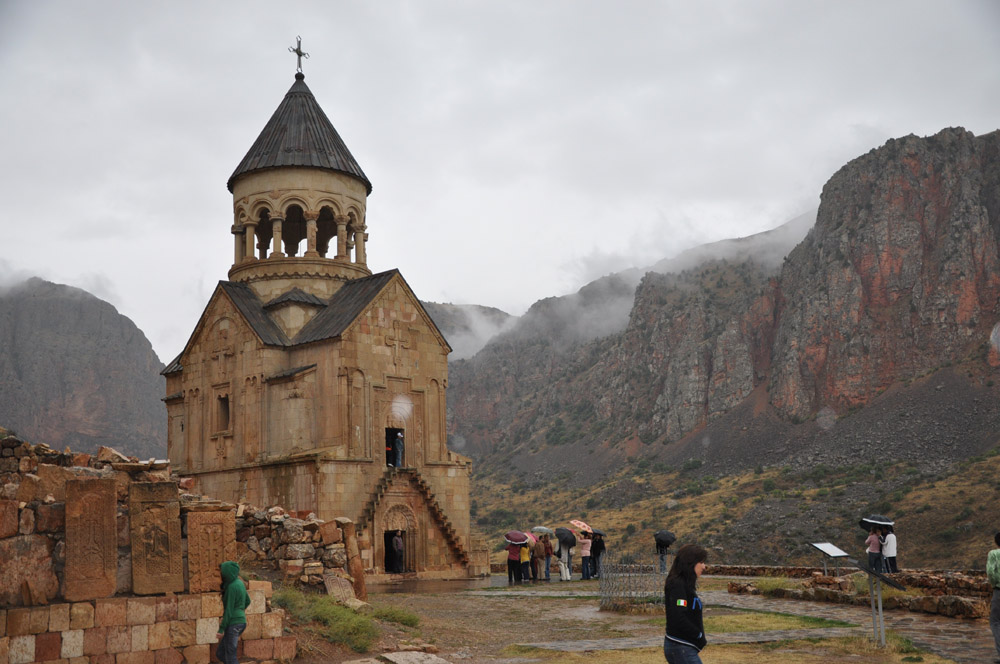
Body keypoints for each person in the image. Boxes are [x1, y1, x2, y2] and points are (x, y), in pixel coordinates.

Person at [663, 544, 708, 664]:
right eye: (701, 562)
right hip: (680, 646)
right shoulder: (677, 585)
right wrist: (697, 634)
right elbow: (678, 616)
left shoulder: (685, 584)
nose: (704, 566)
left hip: (684, 647)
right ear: (691, 562)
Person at [216, 560, 250, 664]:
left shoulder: (231, 587)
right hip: (241, 622)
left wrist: (221, 629)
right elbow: (248, 601)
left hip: (233, 624)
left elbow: (229, 611)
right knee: (221, 653)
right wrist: (240, 610)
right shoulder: (240, 583)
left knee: (231, 657)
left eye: (222, 572)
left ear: (227, 573)